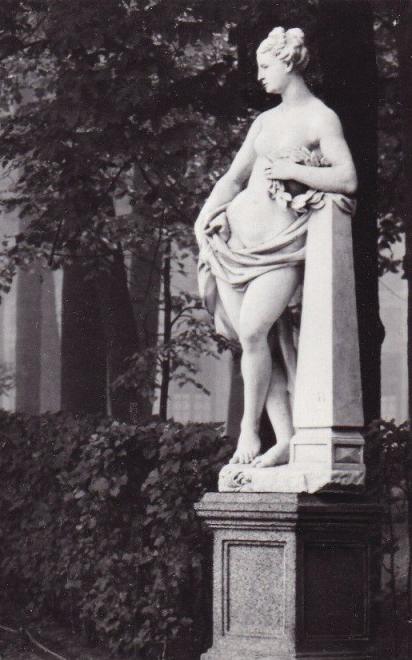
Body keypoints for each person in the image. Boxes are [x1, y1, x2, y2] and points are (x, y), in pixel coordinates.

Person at [195, 27, 357, 468]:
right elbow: (232, 178)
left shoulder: (320, 118)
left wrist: (293, 169)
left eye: (265, 67)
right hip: (233, 243)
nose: (260, 76)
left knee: (252, 331)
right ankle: (283, 439)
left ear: (288, 64)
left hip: (281, 249)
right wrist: (204, 216)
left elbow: (346, 178)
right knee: (259, 341)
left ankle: (249, 430)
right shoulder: (264, 122)